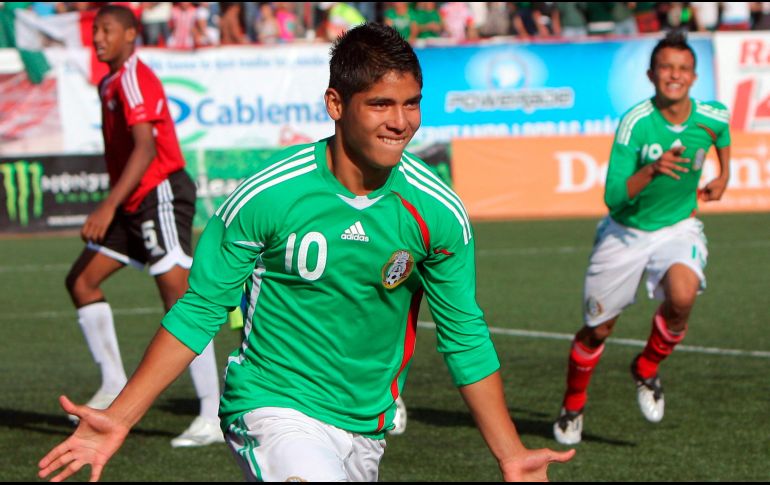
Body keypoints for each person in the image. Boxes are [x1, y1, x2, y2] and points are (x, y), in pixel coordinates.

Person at [39, 23, 575, 482]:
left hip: (367, 425)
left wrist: (511, 454)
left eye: (411, 103)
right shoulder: (268, 195)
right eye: (381, 104)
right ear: (336, 105)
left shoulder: (437, 212)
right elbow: (199, 309)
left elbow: (464, 335)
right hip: (272, 406)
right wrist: (123, 415)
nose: (401, 121)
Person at [553, 30, 731, 445]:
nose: (675, 75)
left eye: (683, 69)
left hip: (678, 227)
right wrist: (652, 169)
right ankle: (572, 405)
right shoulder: (635, 123)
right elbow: (613, 198)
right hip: (625, 233)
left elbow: (721, 135)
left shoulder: (711, 115)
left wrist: (725, 175)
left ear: (694, 75)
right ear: (651, 74)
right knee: (597, 330)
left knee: (683, 296)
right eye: (666, 67)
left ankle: (647, 368)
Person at [62, 5, 223, 448]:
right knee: (82, 281)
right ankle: (113, 382)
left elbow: (147, 148)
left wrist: (108, 206)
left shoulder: (134, 76)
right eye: (94, 30)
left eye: (107, 30)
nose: (97, 38)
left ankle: (214, 411)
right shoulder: (108, 81)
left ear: (132, 34)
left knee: (181, 298)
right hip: (133, 203)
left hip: (160, 195)